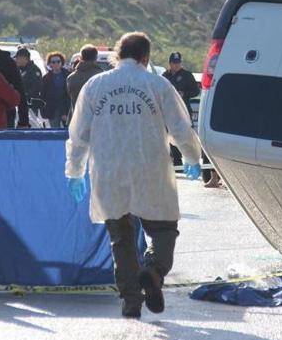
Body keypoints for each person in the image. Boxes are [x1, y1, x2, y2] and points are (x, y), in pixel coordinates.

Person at [65, 32, 202, 318]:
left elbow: (79, 134)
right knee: (163, 229)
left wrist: (75, 171)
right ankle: (152, 268)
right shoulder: (157, 84)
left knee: (121, 238)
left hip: (109, 170)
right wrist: (191, 156)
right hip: (149, 168)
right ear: (145, 57)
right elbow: (180, 127)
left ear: (117, 55)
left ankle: (130, 301)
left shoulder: (95, 85)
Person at [163, 52, 200, 168]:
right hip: (170, 111)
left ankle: (191, 159)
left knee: (185, 135)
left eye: (178, 63)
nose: (176, 65)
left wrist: (185, 93)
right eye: (174, 63)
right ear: (170, 63)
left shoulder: (187, 75)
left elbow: (196, 91)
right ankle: (177, 160)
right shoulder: (165, 76)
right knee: (172, 134)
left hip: (184, 111)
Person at [67, 44, 102, 112]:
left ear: (81, 57)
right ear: (96, 58)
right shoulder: (101, 76)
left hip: (77, 117)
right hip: (95, 117)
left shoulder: (71, 77)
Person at [40, 51, 70, 128]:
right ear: (50, 64)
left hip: (66, 108)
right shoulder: (46, 78)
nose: (56, 64)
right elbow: (43, 95)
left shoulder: (68, 75)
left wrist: (67, 111)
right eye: (53, 62)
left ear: (62, 62)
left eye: (58, 61)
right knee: (54, 131)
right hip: (52, 110)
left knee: (68, 132)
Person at [15, 47, 44, 115]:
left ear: (24, 58)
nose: (16, 60)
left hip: (30, 105)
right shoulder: (20, 70)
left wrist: (24, 96)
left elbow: (36, 88)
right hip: (21, 103)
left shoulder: (34, 70)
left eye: (18, 58)